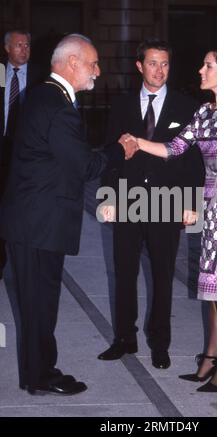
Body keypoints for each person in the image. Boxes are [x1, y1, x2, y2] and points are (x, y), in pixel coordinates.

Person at [120, 44, 217, 391]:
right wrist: (137, 141)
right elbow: (174, 149)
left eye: (208, 66)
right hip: (209, 202)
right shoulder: (204, 112)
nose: (200, 71)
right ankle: (209, 357)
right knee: (211, 285)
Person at [0, 34, 108, 395]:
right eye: (92, 63)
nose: (97, 71)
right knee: (39, 304)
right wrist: (119, 149)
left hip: (32, 220)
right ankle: (40, 376)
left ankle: (38, 372)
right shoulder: (58, 106)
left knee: (36, 304)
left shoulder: (41, 94)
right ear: (72, 63)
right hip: (38, 224)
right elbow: (84, 166)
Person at [98, 38, 205, 369]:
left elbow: (193, 159)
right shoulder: (121, 105)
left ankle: (160, 343)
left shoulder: (186, 106)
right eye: (153, 63)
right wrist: (108, 198)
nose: (160, 70)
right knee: (124, 273)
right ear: (140, 66)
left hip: (169, 201)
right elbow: (110, 155)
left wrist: (191, 203)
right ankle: (124, 339)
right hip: (128, 200)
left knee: (162, 275)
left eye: (165, 64)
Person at [0, 30, 43, 276]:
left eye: (27, 45)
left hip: (27, 151)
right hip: (2, 146)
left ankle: (24, 256)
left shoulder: (38, 76)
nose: (24, 49)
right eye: (18, 45)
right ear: (7, 48)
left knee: (23, 204)